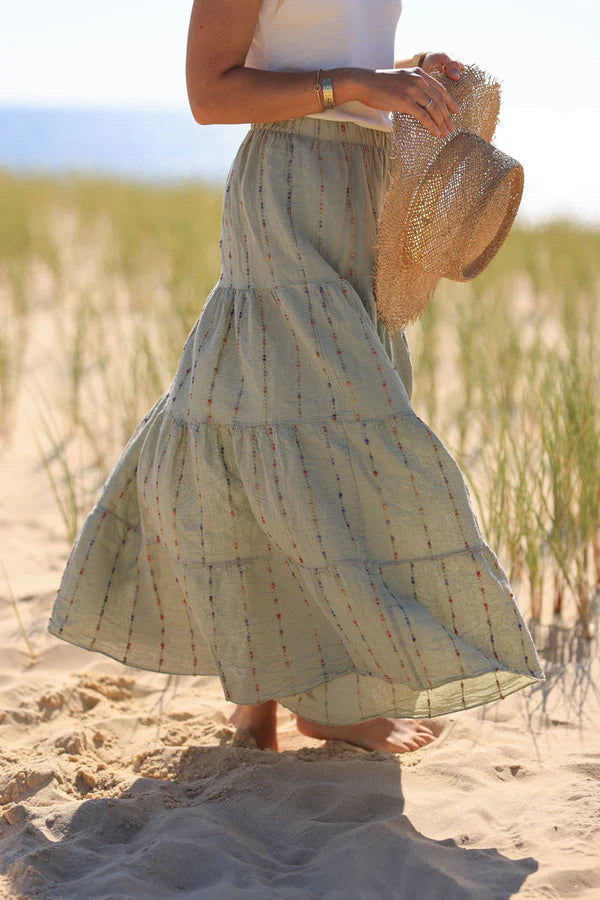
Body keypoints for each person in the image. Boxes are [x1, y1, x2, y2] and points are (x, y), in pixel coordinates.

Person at [47, 0, 545, 756]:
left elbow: (319, 47)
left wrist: (405, 78)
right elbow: (210, 93)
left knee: (293, 420)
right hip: (288, 187)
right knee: (278, 422)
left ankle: (315, 699)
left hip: (371, 188)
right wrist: (355, 82)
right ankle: (273, 703)